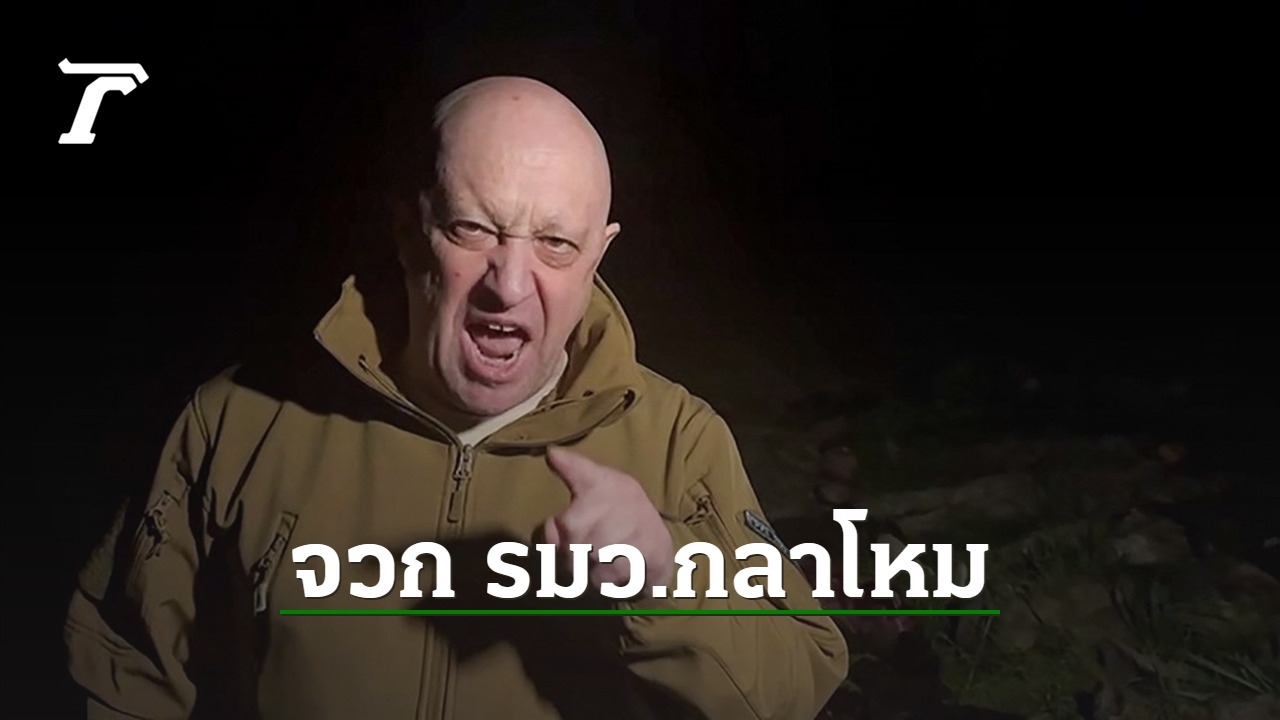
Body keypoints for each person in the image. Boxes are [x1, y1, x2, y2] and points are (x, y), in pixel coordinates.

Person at [64, 76, 848, 719]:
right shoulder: (239, 420)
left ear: (598, 255)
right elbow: (125, 679)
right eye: (474, 230)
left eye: (555, 244)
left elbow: (797, 688)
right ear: (412, 231)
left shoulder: (679, 442)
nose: (510, 285)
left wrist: (668, 584)